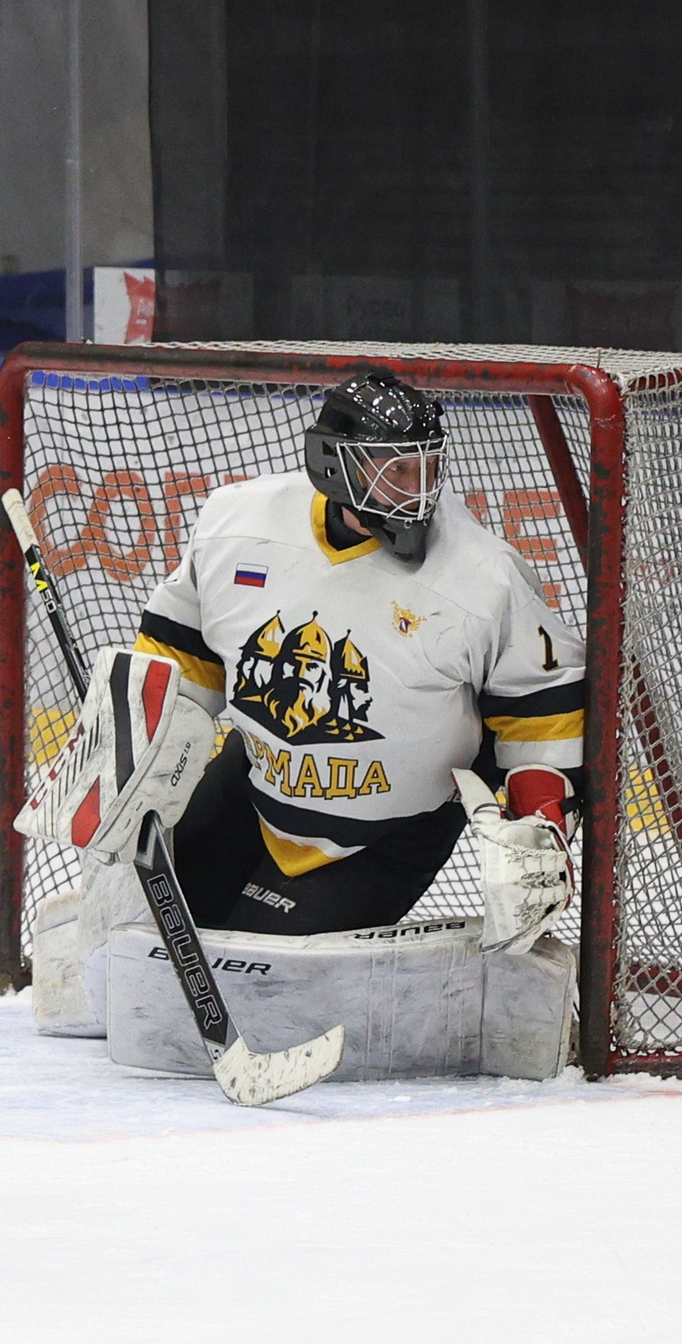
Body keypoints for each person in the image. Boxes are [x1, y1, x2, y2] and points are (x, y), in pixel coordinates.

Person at [121, 370, 586, 942]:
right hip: (253, 785)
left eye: (426, 467)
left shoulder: (482, 575)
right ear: (335, 464)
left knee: (264, 977)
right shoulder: (236, 526)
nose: (418, 488)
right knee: (136, 922)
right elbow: (177, 660)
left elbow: (543, 705)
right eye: (395, 470)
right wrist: (131, 760)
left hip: (390, 832)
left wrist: (540, 822)